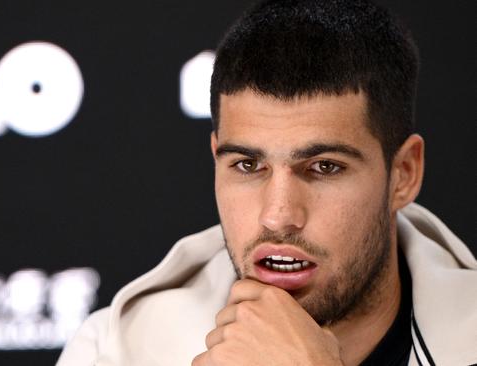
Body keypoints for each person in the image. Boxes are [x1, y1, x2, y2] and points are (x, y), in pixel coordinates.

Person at [56, 0, 477, 365]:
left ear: (404, 174)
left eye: (324, 167)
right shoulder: (115, 352)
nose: (278, 217)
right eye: (247, 165)